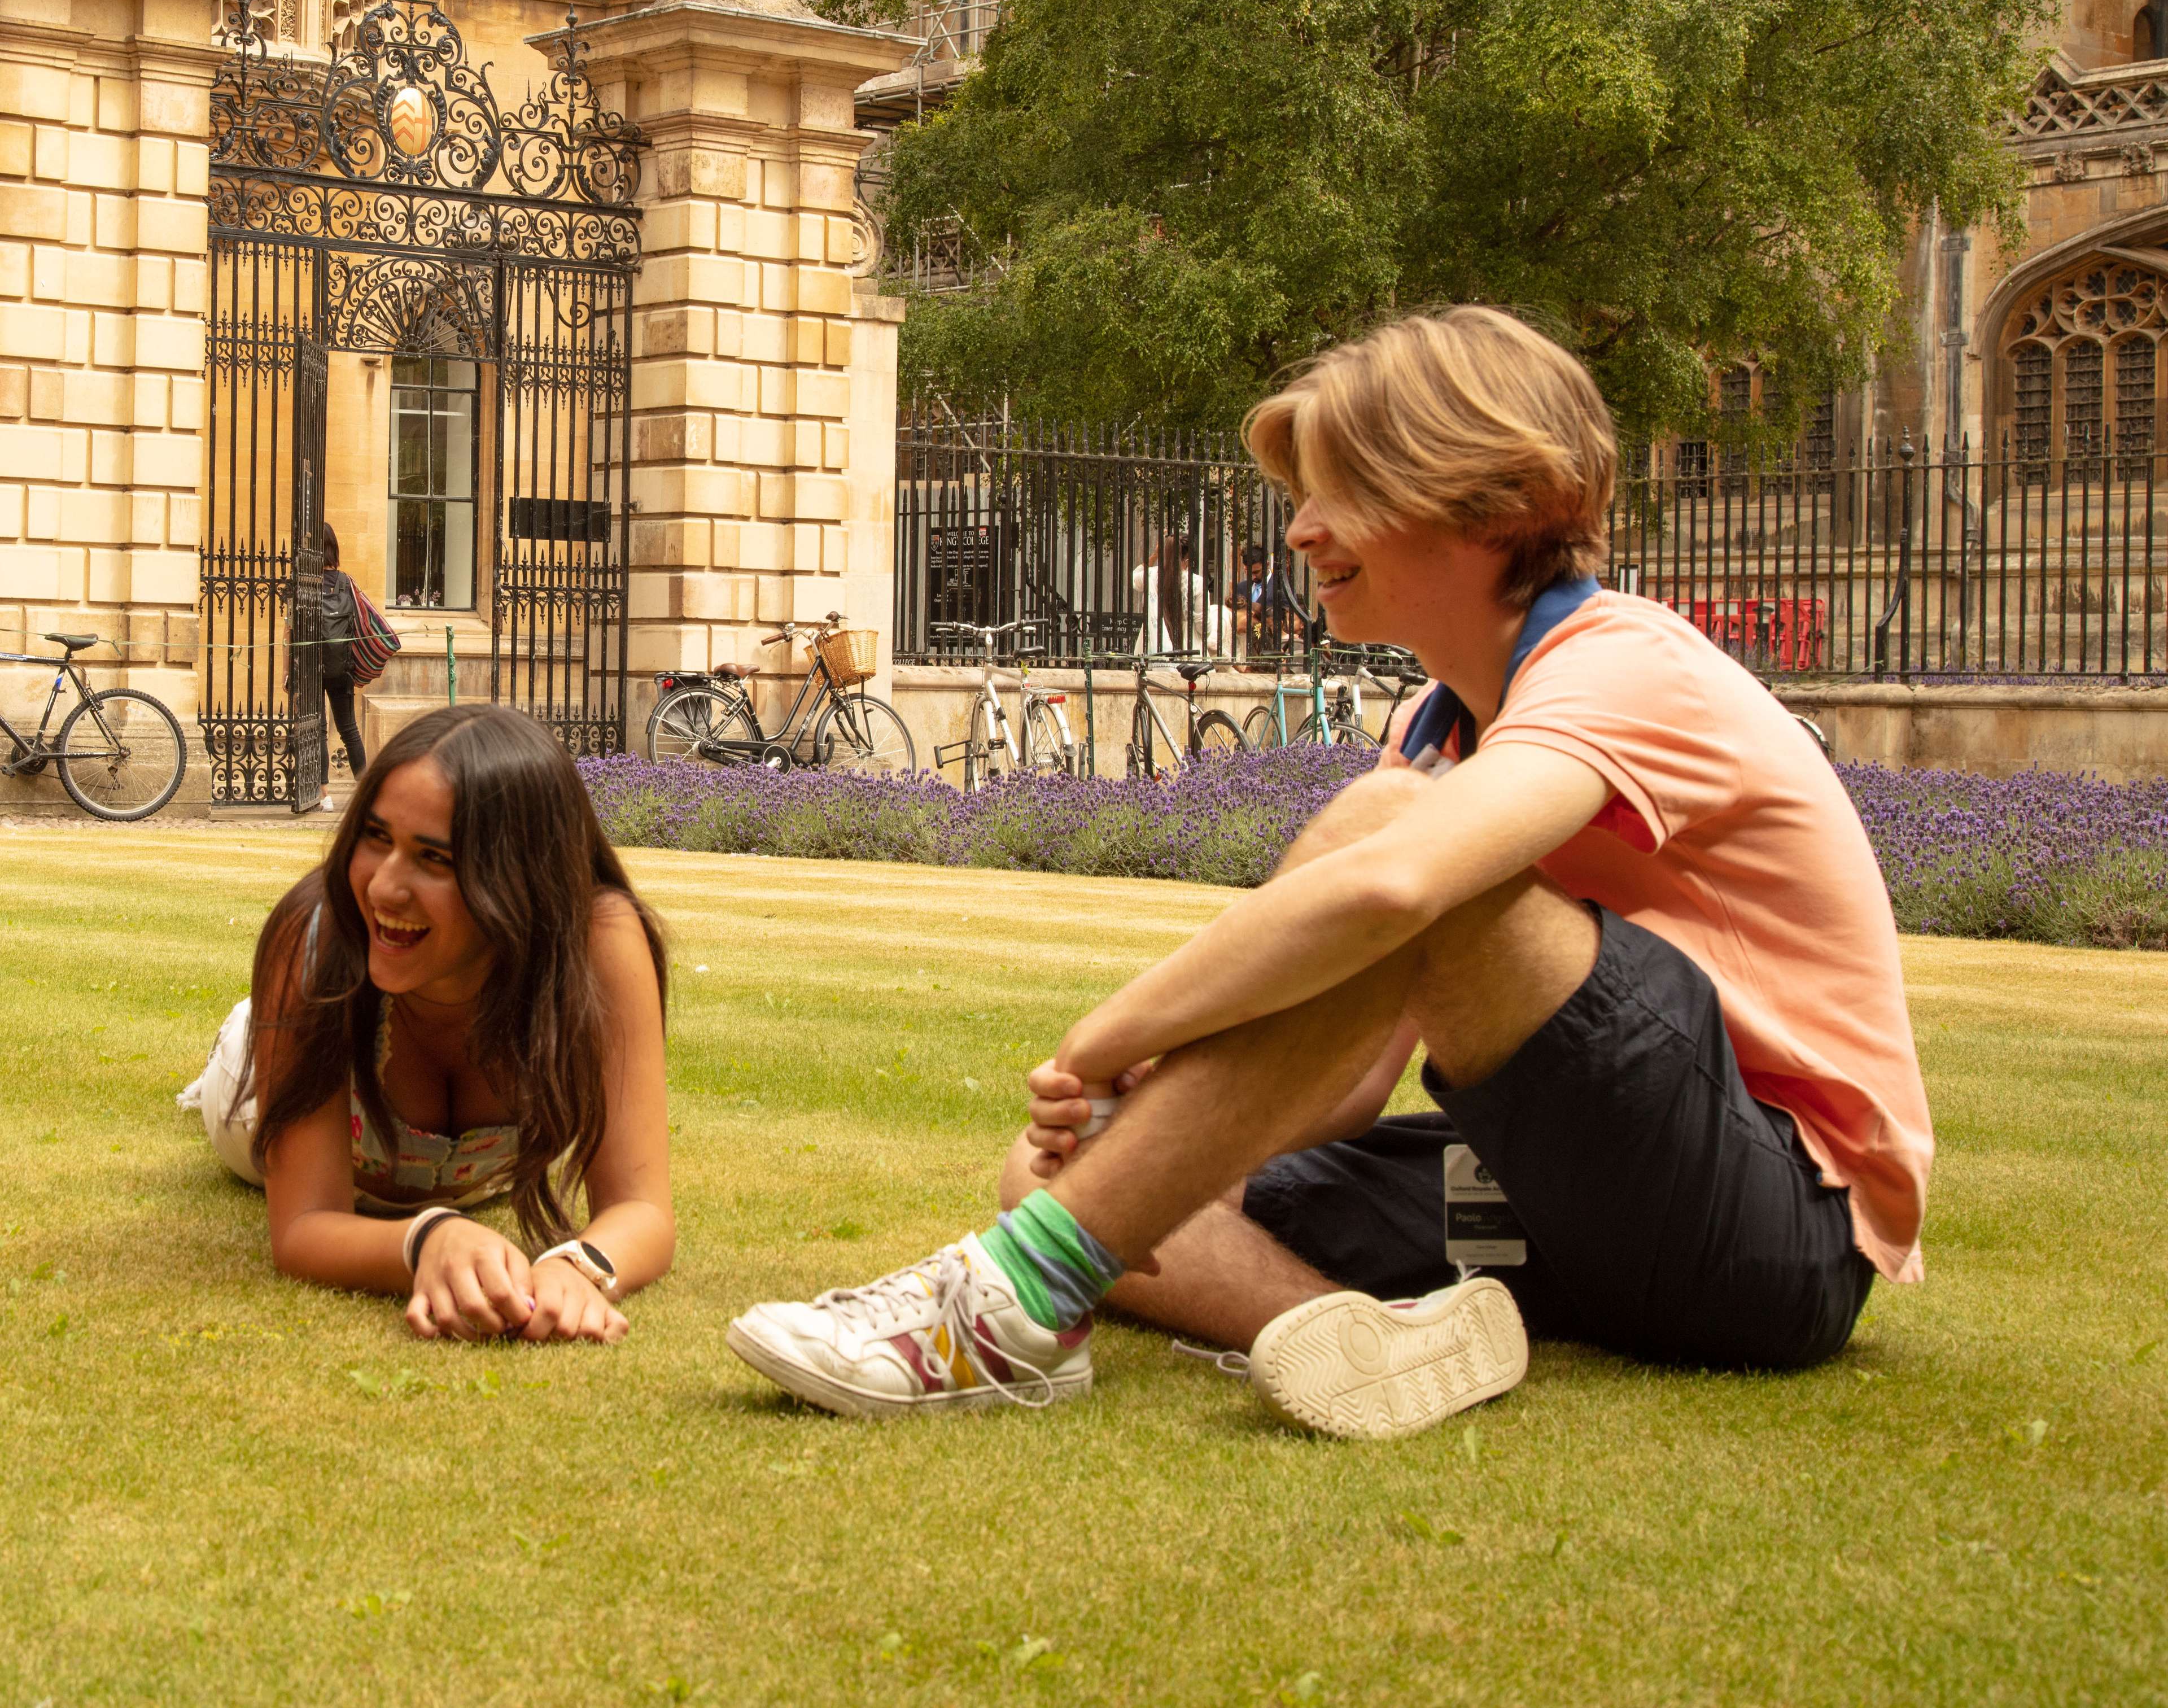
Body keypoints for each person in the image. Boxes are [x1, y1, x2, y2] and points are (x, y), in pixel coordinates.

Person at [727, 308, 1931, 1433]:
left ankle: (999, 1313)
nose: (1301, 530)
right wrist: (1149, 1124)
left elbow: (1395, 889)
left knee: (1396, 831)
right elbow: (1348, 1078)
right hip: (1579, 1212)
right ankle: (1353, 1337)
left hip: (1774, 1229)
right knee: (1078, 1180)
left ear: (1497, 497)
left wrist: (1110, 1036)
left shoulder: (1626, 664)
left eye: (1343, 492)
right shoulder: (1439, 721)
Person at [180, 704, 673, 1344]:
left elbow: (643, 1209)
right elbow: (304, 1225)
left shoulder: (597, 941)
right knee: (255, 1041)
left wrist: (580, 1266)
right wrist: (426, 1238)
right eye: (377, 837)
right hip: (257, 1085)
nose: (385, 887)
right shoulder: (315, 938)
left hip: (456, 1175)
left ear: (522, 875)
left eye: (434, 858)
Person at [316, 524, 370, 779]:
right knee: (349, 730)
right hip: (342, 667)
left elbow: (289, 631)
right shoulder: (346, 582)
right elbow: (363, 622)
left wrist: (287, 671)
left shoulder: (306, 582)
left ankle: (323, 792)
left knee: (317, 730)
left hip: (311, 667)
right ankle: (365, 793)